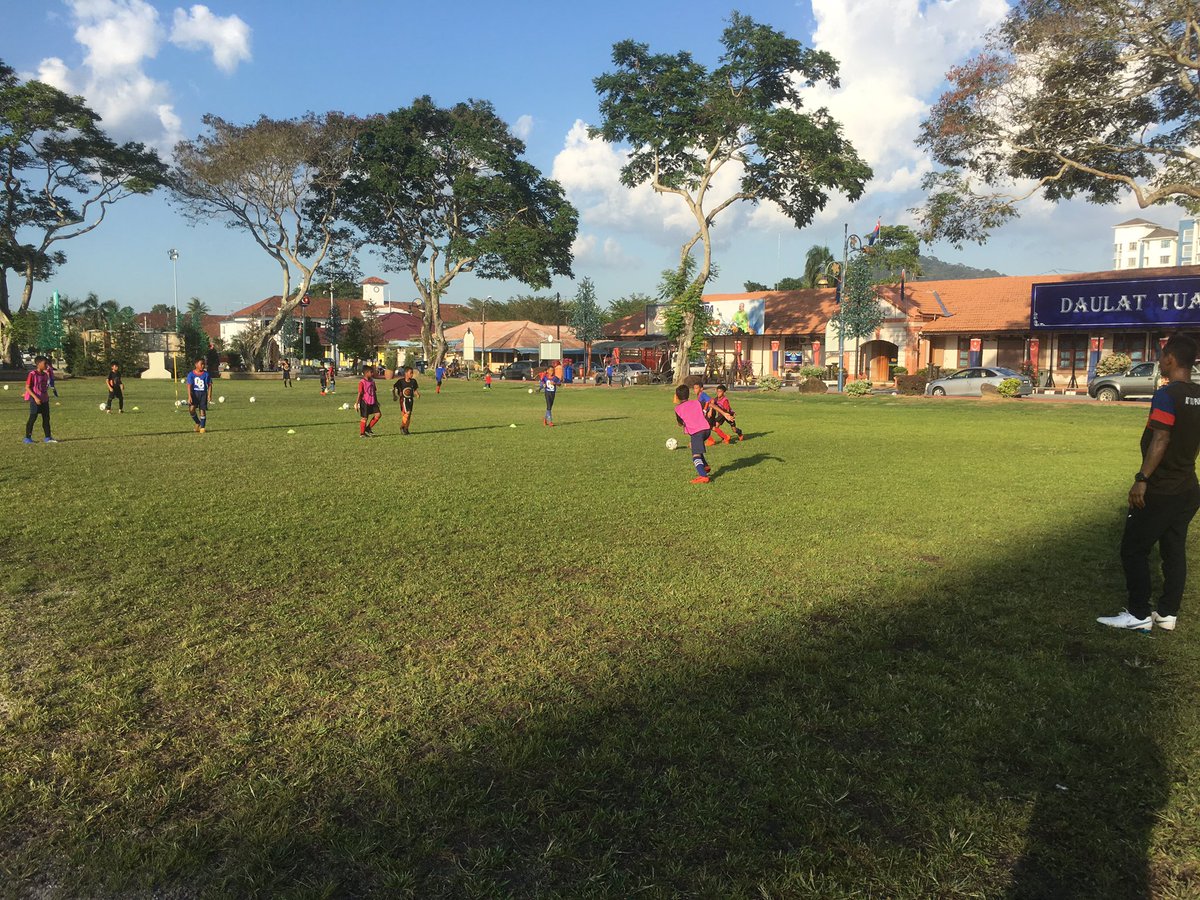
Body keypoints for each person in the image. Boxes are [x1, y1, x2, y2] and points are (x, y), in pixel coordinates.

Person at [1099, 334, 1200, 632]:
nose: (1159, 361)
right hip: (1188, 486)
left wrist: (1142, 479)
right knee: (1173, 548)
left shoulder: (1167, 395)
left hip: (1162, 488)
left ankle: (1138, 613)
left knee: (1133, 549)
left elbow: (1161, 437)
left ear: (1170, 358)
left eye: (1161, 356)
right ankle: (1167, 614)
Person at [673, 384, 711, 484]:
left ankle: (703, 476)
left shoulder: (678, 409)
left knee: (695, 455)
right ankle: (705, 466)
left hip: (697, 432)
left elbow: (680, 423)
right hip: (706, 429)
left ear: (677, 396)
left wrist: (682, 423)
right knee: (697, 448)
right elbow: (708, 405)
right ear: (688, 394)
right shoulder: (696, 402)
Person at [23, 356, 56, 444]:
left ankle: (48, 437)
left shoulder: (45, 375)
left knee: (46, 418)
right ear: (39, 364)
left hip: (44, 400)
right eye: (45, 363)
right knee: (33, 418)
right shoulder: (32, 374)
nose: (46, 365)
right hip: (35, 400)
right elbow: (27, 387)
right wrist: (35, 397)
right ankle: (27, 438)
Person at [185, 357, 212, 433]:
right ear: (196, 364)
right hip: (194, 394)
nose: (203, 366)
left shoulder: (206, 374)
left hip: (203, 394)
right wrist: (189, 396)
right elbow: (189, 386)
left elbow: (209, 385)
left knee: (202, 411)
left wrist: (209, 395)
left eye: (204, 364)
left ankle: (202, 427)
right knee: (191, 410)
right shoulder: (191, 374)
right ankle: (198, 422)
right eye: (201, 364)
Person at [392, 366, 420, 434]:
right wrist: (395, 395)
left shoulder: (413, 381)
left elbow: (414, 389)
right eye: (411, 373)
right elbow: (394, 388)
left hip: (410, 399)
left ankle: (406, 429)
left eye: (412, 373)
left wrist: (417, 394)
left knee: (408, 415)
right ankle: (402, 427)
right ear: (406, 373)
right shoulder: (400, 381)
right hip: (403, 399)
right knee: (407, 413)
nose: (412, 374)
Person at [356, 365, 382, 437]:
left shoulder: (372, 381)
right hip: (365, 402)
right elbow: (360, 393)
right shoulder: (362, 382)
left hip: (373, 401)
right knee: (365, 418)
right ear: (366, 373)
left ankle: (368, 429)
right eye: (371, 372)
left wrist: (376, 401)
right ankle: (362, 433)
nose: (372, 373)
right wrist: (356, 403)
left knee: (378, 414)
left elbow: (374, 391)